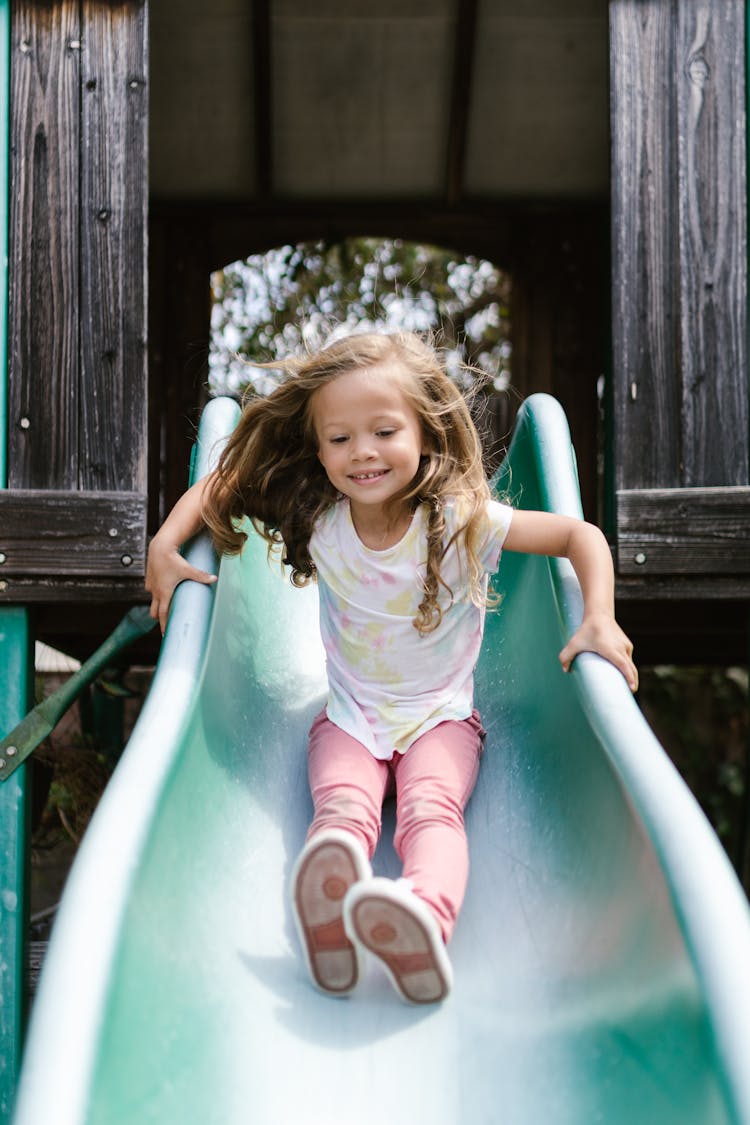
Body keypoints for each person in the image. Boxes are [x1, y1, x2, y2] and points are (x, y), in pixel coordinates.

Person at [146, 331, 637, 1006]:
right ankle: (333, 910)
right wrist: (165, 544)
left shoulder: (460, 520)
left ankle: (422, 919)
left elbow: (579, 535)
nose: (362, 453)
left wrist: (599, 617)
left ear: (425, 432)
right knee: (340, 805)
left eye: (383, 430)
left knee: (432, 809)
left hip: (441, 718)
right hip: (350, 716)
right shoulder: (320, 516)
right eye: (340, 438)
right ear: (317, 448)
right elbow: (224, 485)